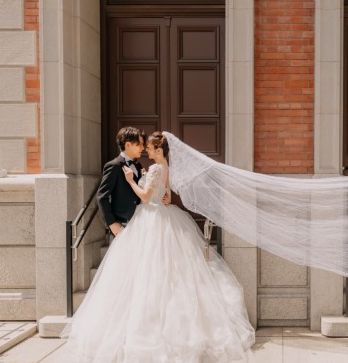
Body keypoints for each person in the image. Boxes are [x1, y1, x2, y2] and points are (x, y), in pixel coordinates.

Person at [65, 131, 255, 362]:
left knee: (149, 271)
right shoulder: (161, 167)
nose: (144, 149)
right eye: (141, 145)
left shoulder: (153, 168)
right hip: (158, 217)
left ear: (158, 149)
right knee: (162, 271)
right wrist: (156, 199)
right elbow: (161, 196)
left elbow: (145, 197)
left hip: (149, 219)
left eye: (148, 146)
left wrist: (131, 181)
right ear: (128, 145)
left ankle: (148, 327)